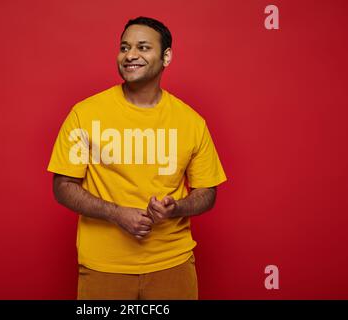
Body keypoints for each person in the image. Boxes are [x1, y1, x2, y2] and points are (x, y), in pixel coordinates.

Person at [47, 16, 227, 300]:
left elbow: (208, 192)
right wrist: (115, 214)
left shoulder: (192, 122)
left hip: (173, 263)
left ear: (166, 56)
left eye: (143, 47)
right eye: (124, 47)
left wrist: (176, 207)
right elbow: (62, 185)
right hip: (104, 266)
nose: (130, 55)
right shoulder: (84, 114)